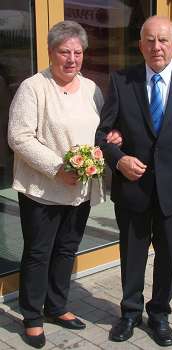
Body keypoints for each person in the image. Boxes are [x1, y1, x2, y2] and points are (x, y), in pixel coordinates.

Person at [95, 16, 172, 347]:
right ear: (140, 45)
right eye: (149, 40)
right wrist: (119, 160)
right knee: (132, 255)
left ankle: (159, 314)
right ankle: (129, 313)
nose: (156, 47)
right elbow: (102, 135)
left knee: (167, 258)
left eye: (163, 40)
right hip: (133, 189)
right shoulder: (121, 81)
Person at [8, 20, 121, 349]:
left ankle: (56, 306)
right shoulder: (34, 88)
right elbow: (19, 137)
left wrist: (111, 138)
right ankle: (31, 316)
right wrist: (57, 169)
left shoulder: (91, 89)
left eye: (77, 52)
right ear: (50, 52)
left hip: (79, 190)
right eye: (64, 52)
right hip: (43, 190)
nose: (72, 59)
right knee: (39, 253)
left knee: (66, 250)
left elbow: (101, 131)